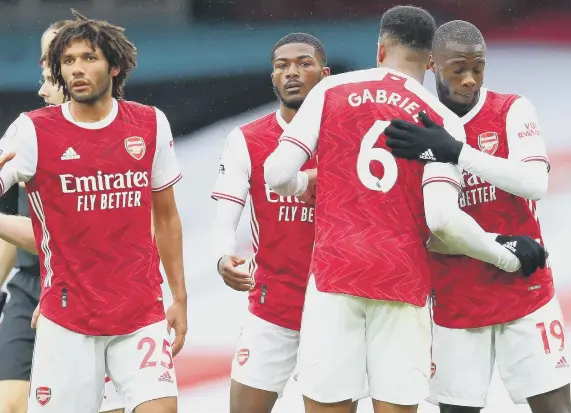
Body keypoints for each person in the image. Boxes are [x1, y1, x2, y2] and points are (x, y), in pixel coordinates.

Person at [263, 5, 546, 413]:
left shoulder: (331, 90)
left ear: (380, 49)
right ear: (431, 62)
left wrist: (305, 182)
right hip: (402, 281)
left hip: (334, 275)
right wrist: (505, 256)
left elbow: (275, 174)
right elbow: (444, 223)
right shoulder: (442, 120)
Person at [0, 11, 186, 413]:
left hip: (139, 311)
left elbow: (167, 217)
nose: (77, 70)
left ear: (114, 65)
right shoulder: (32, 130)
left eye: (88, 58)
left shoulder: (150, 124)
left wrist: (180, 298)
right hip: (67, 318)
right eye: (68, 62)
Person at [384, 20, 570, 413]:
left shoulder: (511, 109)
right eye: (458, 68)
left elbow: (535, 183)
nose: (470, 79)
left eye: (479, 67)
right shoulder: (414, 129)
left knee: (555, 407)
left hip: (525, 287)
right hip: (455, 297)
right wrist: (498, 244)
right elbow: (421, 228)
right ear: (433, 65)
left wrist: (457, 152)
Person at [212, 32, 360, 413]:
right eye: (282, 66)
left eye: (304, 63)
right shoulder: (247, 138)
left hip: (338, 309)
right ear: (273, 78)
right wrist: (222, 257)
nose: (292, 72)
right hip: (272, 306)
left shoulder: (354, 138)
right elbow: (227, 215)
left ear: (325, 75)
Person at [0, 20, 124, 413]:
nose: (59, 66)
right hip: (30, 285)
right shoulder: (28, 131)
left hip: (99, 288)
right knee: (11, 403)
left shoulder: (122, 132)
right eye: (53, 57)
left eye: (75, 57)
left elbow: (62, 237)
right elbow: (12, 223)